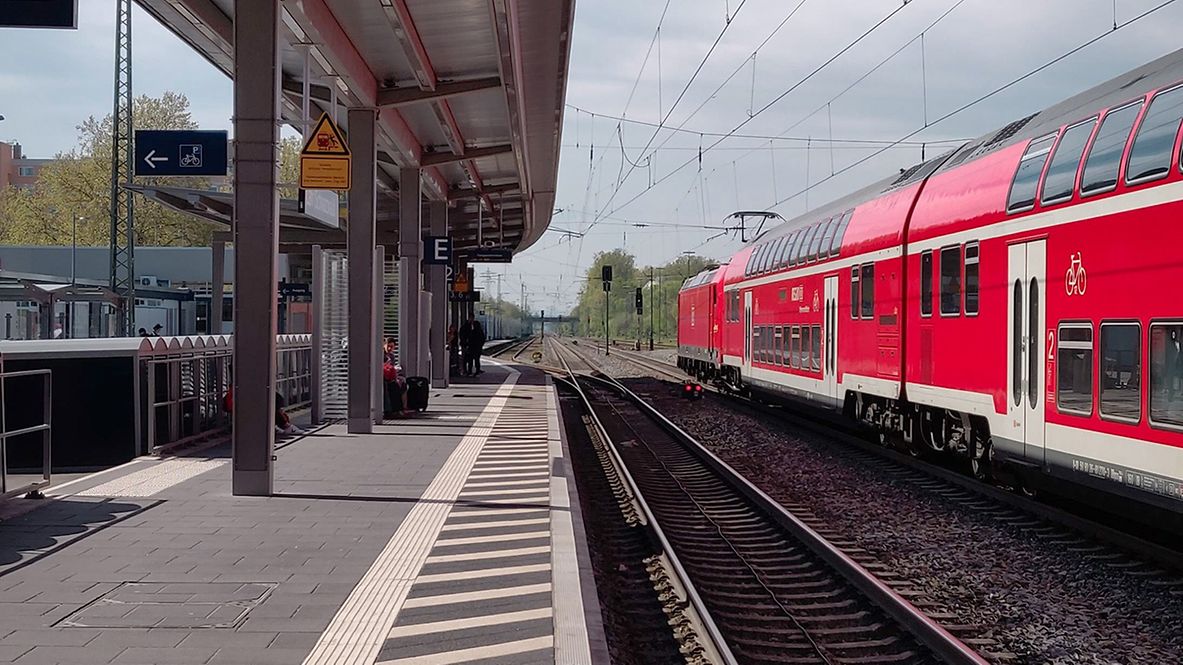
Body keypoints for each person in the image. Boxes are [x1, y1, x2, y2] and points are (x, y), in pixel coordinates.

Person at [383, 337, 408, 417]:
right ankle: (396, 409)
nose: (390, 348)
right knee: (394, 386)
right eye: (388, 346)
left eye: (392, 347)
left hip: (389, 377)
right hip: (384, 378)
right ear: (384, 345)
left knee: (402, 383)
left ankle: (402, 408)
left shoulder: (391, 356)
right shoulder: (381, 355)